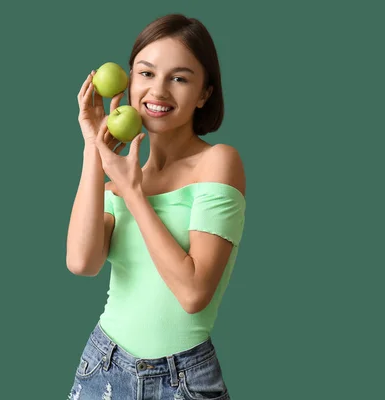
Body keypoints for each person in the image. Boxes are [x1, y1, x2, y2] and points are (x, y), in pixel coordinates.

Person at [66, 13, 246, 400]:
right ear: (130, 82)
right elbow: (82, 263)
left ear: (204, 94)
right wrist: (93, 149)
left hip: (182, 380)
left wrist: (133, 193)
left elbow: (194, 292)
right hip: (103, 365)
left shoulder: (218, 162)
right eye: (146, 74)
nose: (158, 91)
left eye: (179, 78)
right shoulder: (121, 174)